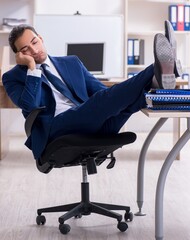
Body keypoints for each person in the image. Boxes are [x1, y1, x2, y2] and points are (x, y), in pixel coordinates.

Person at [2, 21, 179, 161]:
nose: (33, 50)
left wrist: (119, 96)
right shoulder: (12, 77)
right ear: (19, 55)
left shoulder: (71, 62)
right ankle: (158, 68)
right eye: (26, 50)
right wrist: (32, 68)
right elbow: (29, 105)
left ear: (41, 38)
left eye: (34, 42)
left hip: (92, 122)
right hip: (56, 129)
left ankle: (156, 80)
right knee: (101, 100)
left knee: (127, 104)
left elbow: (104, 93)